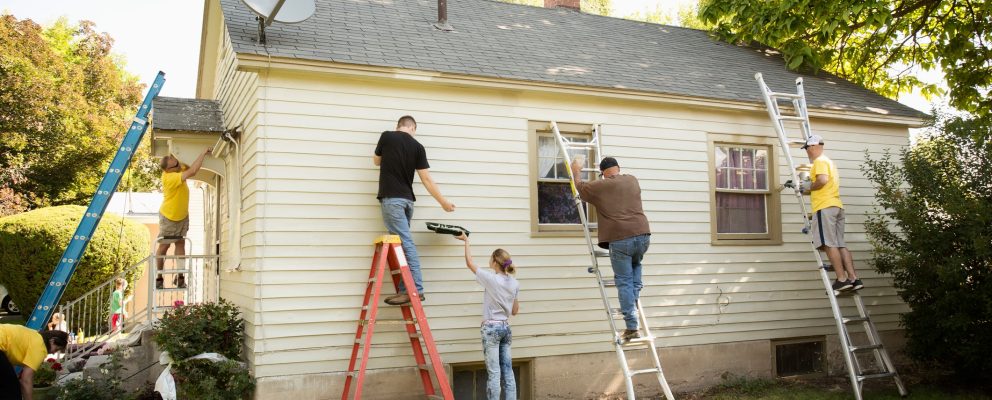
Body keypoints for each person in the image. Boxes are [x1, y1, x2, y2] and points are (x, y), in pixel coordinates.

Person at [373, 115, 455, 306]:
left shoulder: (387, 136)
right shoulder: (418, 147)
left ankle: (415, 289)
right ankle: (405, 289)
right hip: (408, 202)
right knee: (402, 245)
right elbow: (426, 179)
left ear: (398, 126)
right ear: (413, 128)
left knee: (406, 244)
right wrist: (443, 202)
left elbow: (376, 161)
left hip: (392, 200)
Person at [571, 156, 651, 342]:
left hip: (620, 238)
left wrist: (576, 169)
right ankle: (633, 304)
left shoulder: (600, 186)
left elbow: (580, 188)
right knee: (636, 270)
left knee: (623, 282)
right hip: (643, 235)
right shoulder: (632, 179)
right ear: (618, 168)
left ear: (602, 173)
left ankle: (632, 327)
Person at [454, 233, 519, 400]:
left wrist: (466, 241)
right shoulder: (514, 282)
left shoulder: (491, 279)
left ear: (495, 262)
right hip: (506, 327)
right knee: (508, 370)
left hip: (491, 328)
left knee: (494, 372)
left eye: (491, 258)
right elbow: (514, 311)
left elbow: (469, 263)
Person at [802, 135, 863, 292]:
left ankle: (842, 279)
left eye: (807, 148)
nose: (807, 152)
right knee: (839, 244)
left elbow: (822, 180)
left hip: (825, 207)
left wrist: (809, 186)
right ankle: (853, 278)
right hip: (836, 206)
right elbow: (825, 183)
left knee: (828, 245)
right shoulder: (829, 162)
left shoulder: (820, 162)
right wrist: (811, 187)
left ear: (813, 147)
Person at [156, 147, 212, 289]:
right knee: (164, 246)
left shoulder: (176, 169)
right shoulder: (170, 177)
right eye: (175, 163)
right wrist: (203, 152)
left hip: (182, 216)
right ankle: (159, 277)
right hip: (169, 216)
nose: (178, 164)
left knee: (180, 244)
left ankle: (180, 277)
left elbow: (188, 165)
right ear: (169, 169)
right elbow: (193, 171)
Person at [0, 325, 69, 400]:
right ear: (52, 341)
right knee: (11, 390)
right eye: (56, 349)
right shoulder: (40, 347)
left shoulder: (34, 335)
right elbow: (26, 380)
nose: (53, 353)